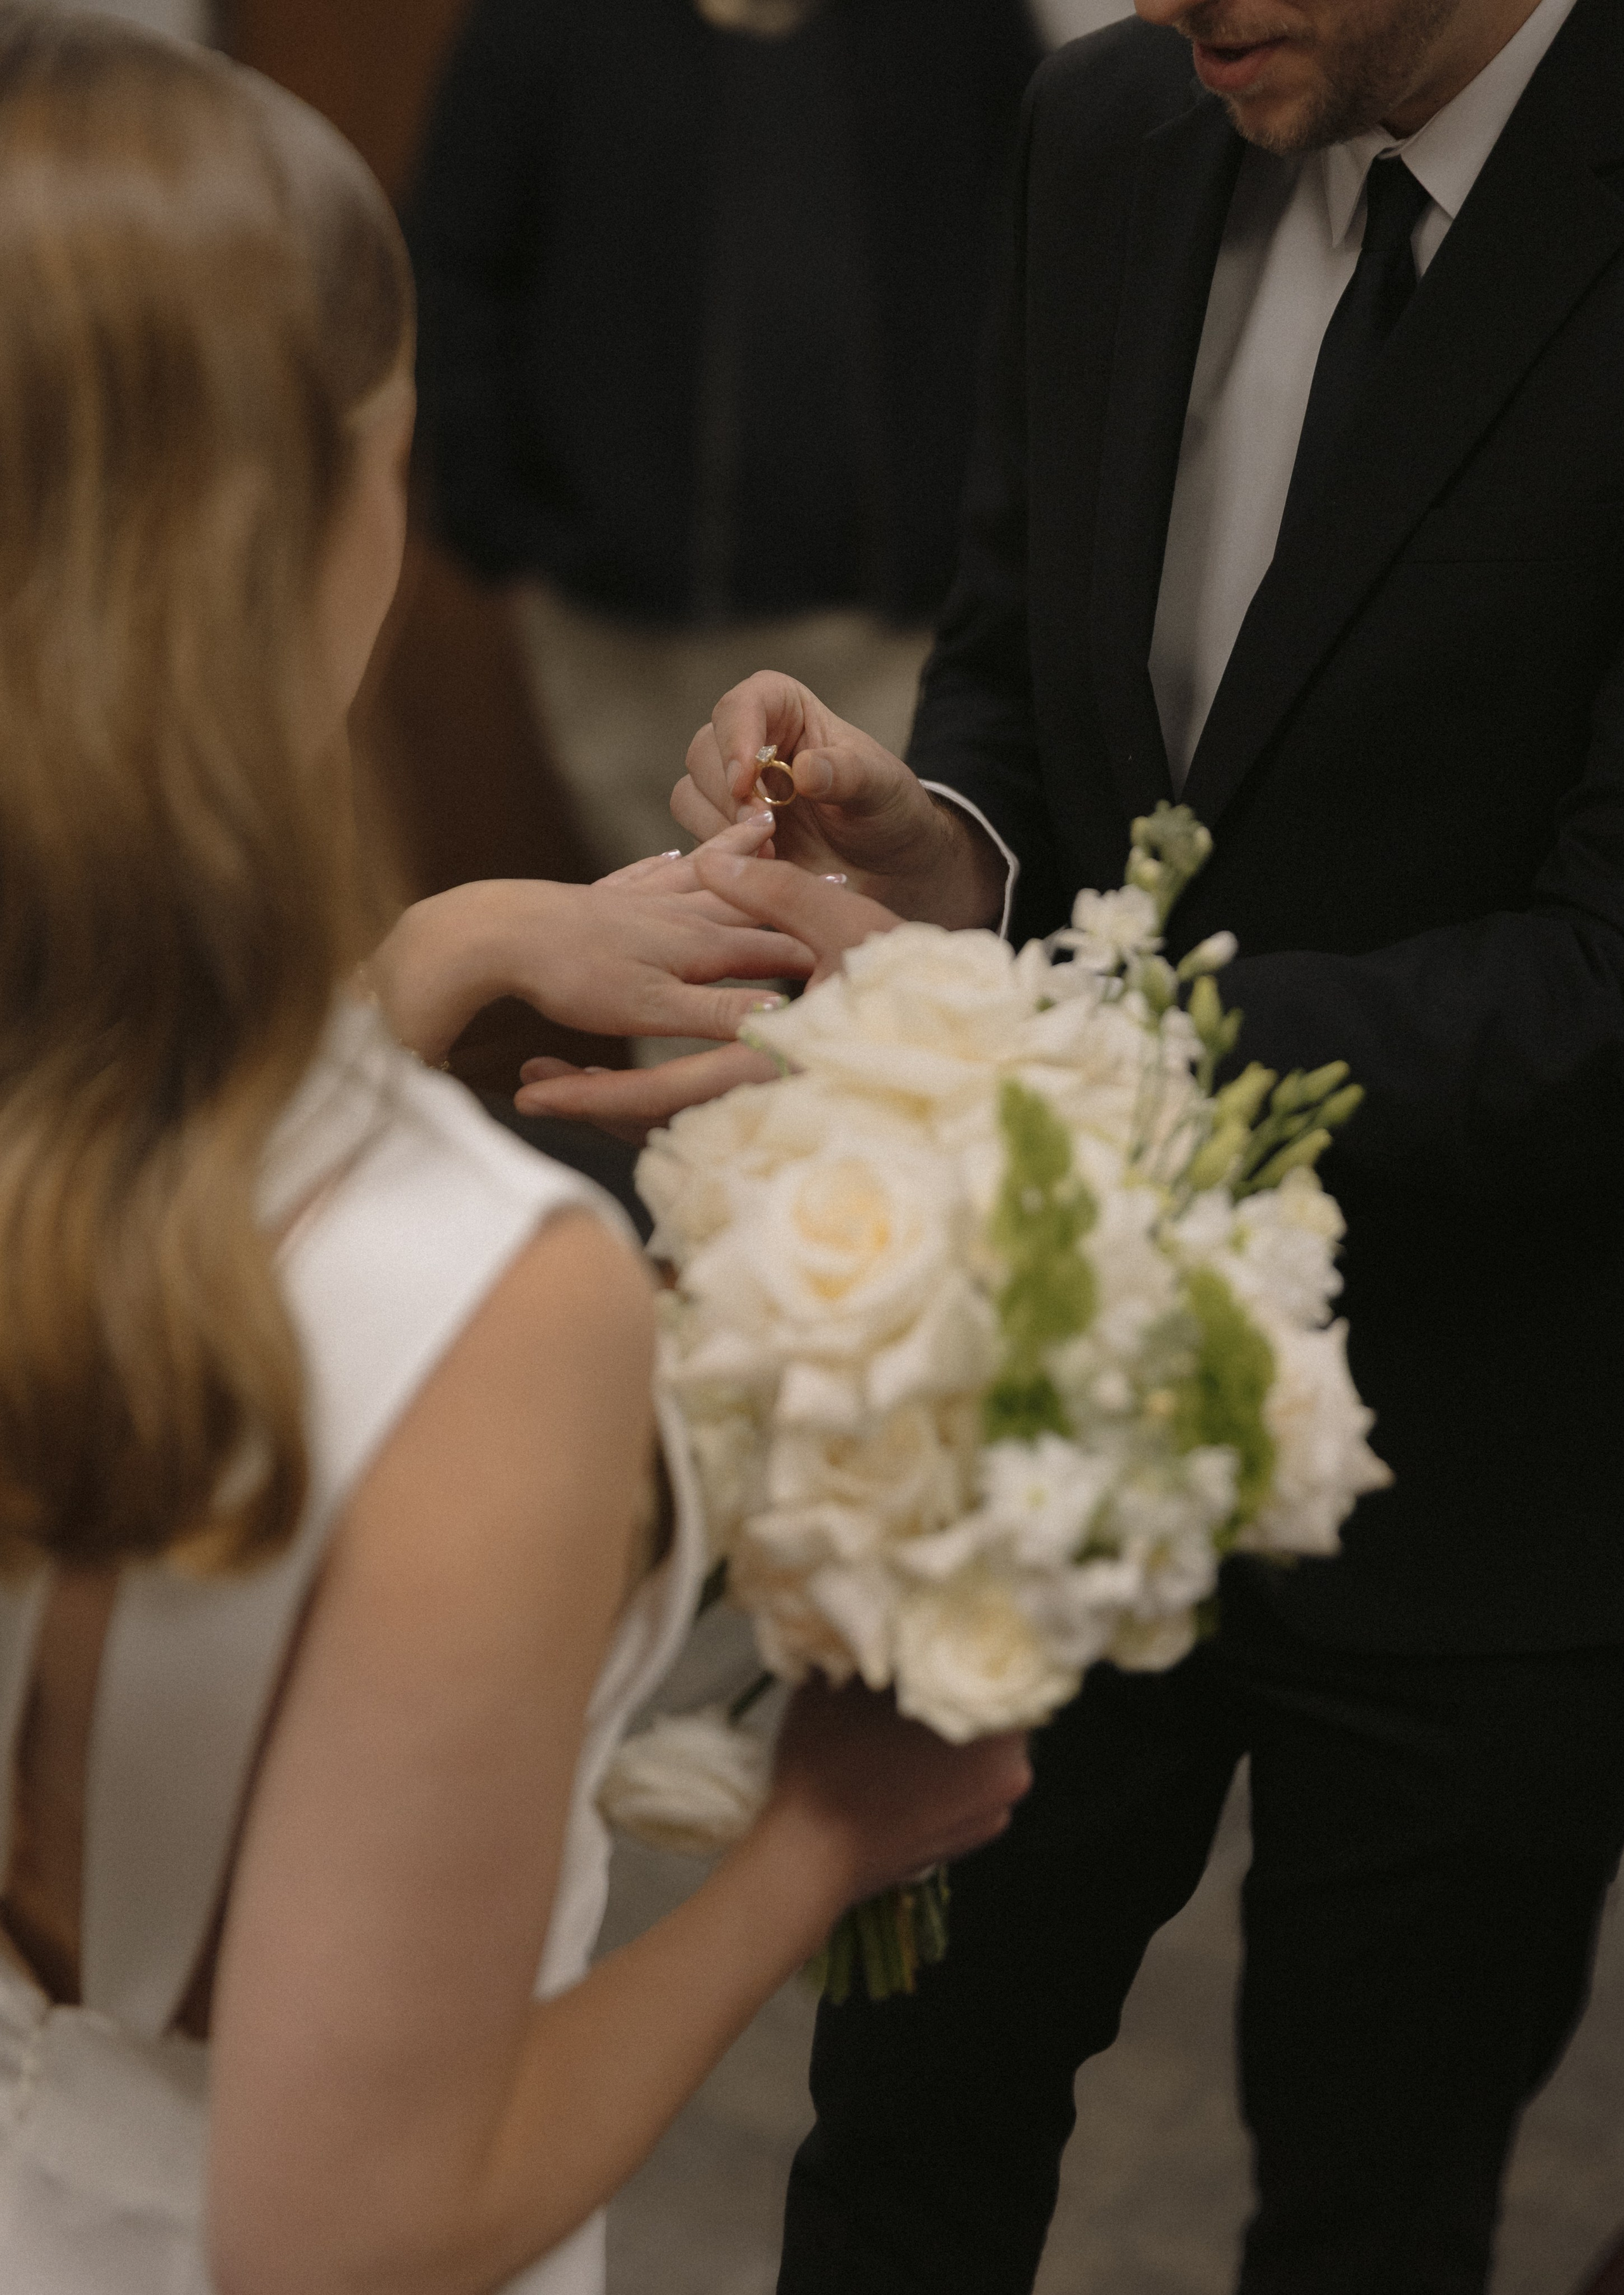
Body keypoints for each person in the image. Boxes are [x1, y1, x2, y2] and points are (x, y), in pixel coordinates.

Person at [525, 0, 1624, 2285]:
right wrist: (920, 836)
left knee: (1375, 2195)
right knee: (907, 2135)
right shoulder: (1115, 124)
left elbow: (1594, 993)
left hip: (1493, 1462)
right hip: (1030, 1404)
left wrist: (1029, 1032)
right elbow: (1024, 670)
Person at [0, 16, 1032, 2295]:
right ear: (328, 507)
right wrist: (818, 1838)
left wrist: (449, 942)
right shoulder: (495, 1298)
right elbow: (349, 2224)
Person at [405, 0, 1043, 872]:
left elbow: (1041, 255)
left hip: (910, 632)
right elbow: (454, 268)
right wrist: (504, 521)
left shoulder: (963, 22)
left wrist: (1003, 523)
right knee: (677, 959)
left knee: (886, 961)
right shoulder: (540, 24)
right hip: (626, 631)